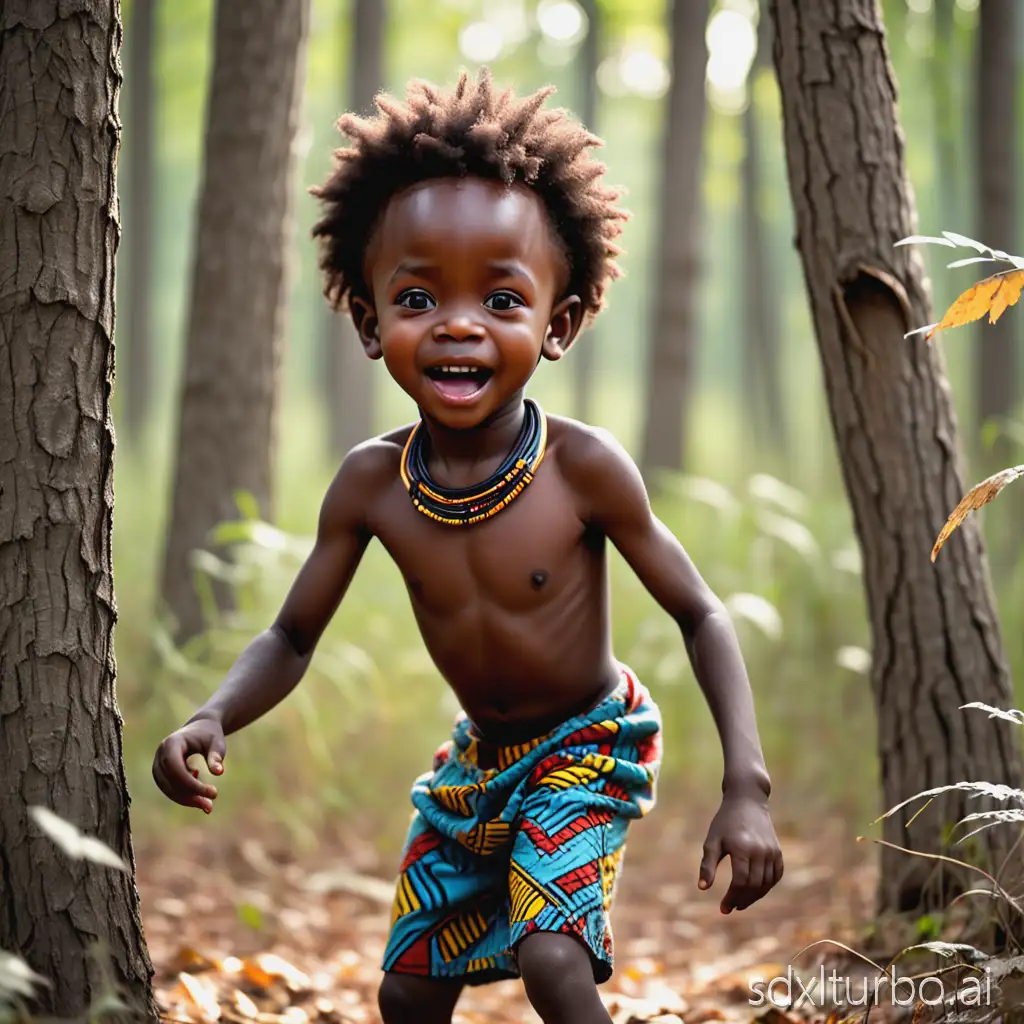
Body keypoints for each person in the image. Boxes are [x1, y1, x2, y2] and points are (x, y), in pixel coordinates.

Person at [152, 69, 783, 1024]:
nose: (456, 324)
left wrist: (746, 783)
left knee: (553, 961)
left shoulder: (583, 470)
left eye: (500, 299)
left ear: (557, 325)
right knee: (406, 987)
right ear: (370, 323)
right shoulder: (372, 484)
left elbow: (699, 611)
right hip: (476, 763)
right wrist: (212, 715)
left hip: (588, 743)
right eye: (416, 298)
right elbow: (290, 638)